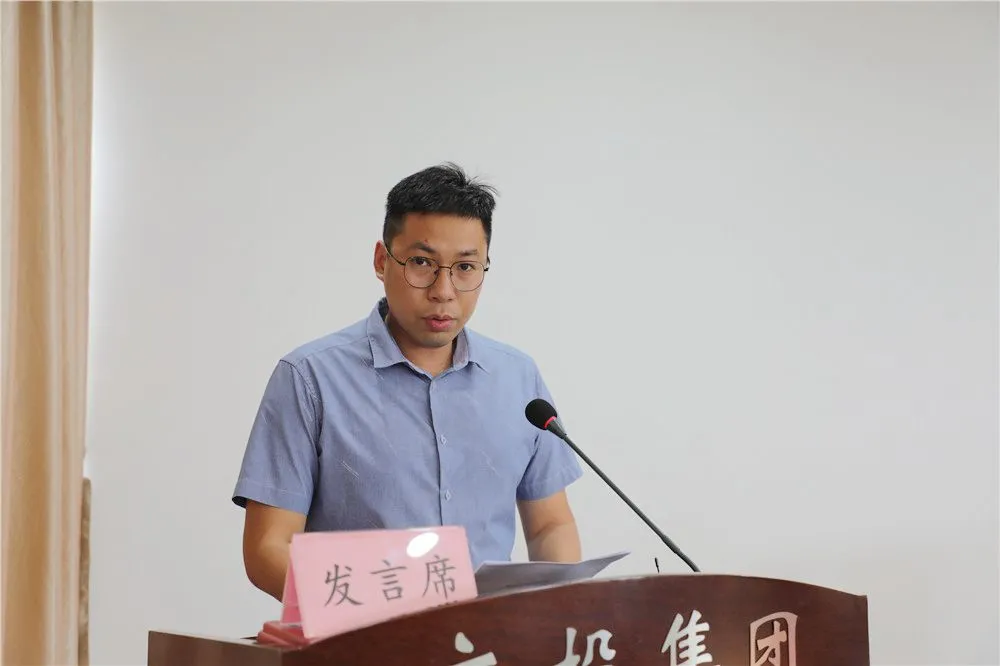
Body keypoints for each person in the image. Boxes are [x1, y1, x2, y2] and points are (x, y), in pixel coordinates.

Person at [232, 163, 583, 601]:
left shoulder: (518, 378)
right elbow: (268, 548)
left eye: (466, 267)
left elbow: (551, 524)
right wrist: (371, 607)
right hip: (364, 635)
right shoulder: (310, 378)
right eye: (422, 263)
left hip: (488, 636)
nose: (443, 290)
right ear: (382, 261)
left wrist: (557, 609)